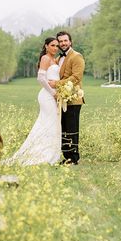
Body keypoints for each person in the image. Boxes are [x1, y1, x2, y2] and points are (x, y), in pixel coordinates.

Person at [8, 37, 62, 165]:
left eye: (57, 46)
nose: (55, 48)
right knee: (48, 122)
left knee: (52, 123)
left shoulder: (55, 59)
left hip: (53, 95)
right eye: (53, 45)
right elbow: (41, 78)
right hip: (47, 95)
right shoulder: (45, 58)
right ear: (46, 46)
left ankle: (51, 151)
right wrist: (53, 92)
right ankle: (42, 154)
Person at [48, 31, 85, 165]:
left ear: (70, 41)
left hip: (73, 99)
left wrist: (57, 84)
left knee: (72, 128)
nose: (63, 43)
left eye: (65, 41)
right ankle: (66, 156)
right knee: (63, 128)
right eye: (61, 41)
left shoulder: (76, 57)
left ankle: (73, 158)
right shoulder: (58, 58)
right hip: (62, 99)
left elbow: (76, 77)